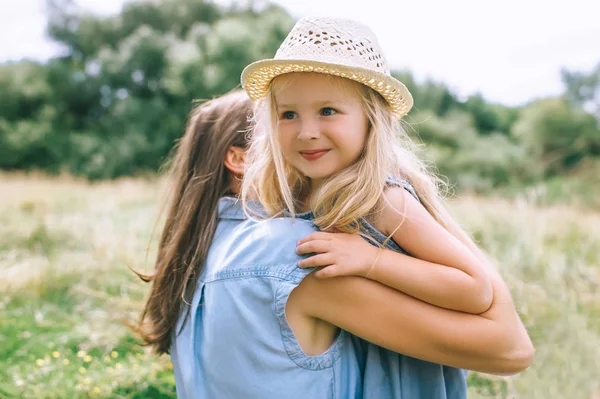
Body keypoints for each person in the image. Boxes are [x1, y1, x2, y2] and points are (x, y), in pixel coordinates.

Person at [137, 18, 533, 399]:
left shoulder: (385, 200)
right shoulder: (311, 205)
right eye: (288, 114)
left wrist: (371, 260)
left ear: (371, 121)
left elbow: (475, 290)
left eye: (328, 110)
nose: (307, 130)